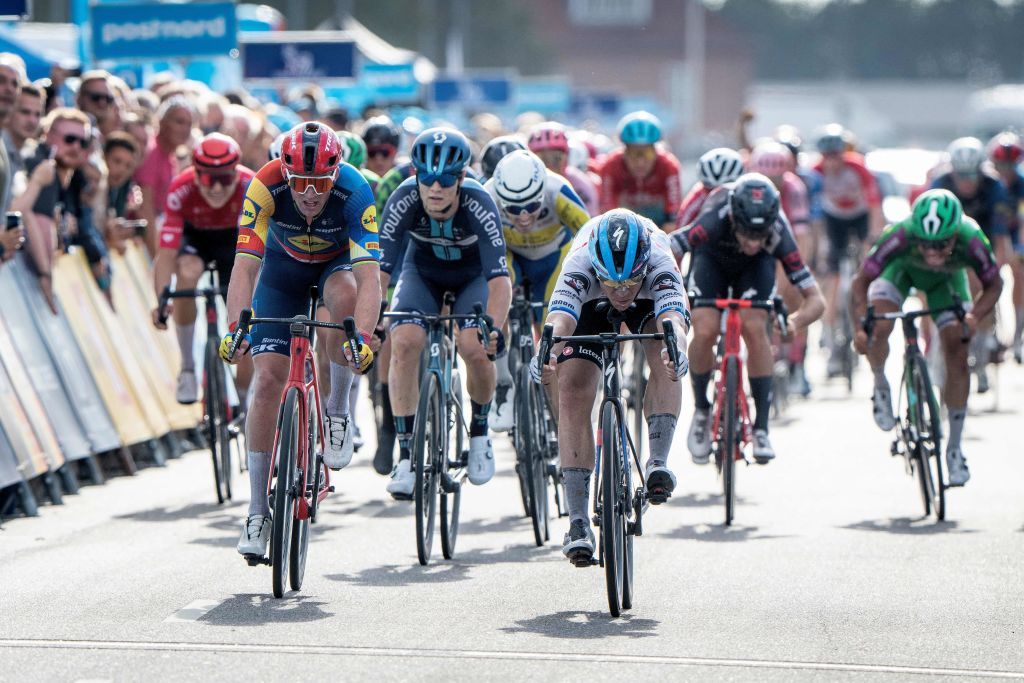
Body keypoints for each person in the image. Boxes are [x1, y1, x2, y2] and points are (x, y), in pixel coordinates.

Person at [223, 121, 381, 559]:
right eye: (301, 184)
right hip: (281, 273)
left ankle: (336, 413)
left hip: (333, 271)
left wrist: (363, 338)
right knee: (268, 381)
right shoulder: (264, 184)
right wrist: (235, 328)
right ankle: (257, 511)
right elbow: (245, 268)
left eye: (320, 184)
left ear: (336, 176)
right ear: (286, 175)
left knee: (345, 301)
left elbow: (370, 280)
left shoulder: (355, 190)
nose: (310, 194)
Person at [530, 209, 690, 563]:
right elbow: (559, 320)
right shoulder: (581, 262)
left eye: (629, 283)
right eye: (613, 283)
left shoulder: (660, 259)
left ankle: (657, 463)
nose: (621, 293)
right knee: (571, 390)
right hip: (588, 305)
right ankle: (577, 521)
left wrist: (676, 345)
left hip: (650, 305)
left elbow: (674, 319)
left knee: (665, 352)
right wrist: (547, 353)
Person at [378, 127, 511, 498]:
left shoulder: (479, 202)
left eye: (447, 179)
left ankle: (480, 433)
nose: (436, 189)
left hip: (473, 278)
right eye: (428, 179)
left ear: (462, 178)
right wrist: (372, 320)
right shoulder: (404, 199)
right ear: (415, 175)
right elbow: (380, 272)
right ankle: (405, 456)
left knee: (473, 345)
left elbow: (499, 279)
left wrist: (494, 329)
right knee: (403, 342)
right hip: (421, 273)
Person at [850, 189, 1003, 486]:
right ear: (914, 233)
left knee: (958, 352)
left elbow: (994, 284)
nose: (932, 253)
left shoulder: (971, 237)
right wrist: (860, 326)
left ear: (955, 233)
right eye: (925, 244)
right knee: (879, 328)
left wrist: (974, 317)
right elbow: (861, 281)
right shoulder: (900, 234)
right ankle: (880, 381)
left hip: (946, 283)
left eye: (941, 245)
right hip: (899, 273)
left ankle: (955, 448)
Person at [672, 173, 825, 463]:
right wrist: (674, 290)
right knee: (704, 329)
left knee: (755, 327)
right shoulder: (713, 220)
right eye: (746, 232)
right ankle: (703, 409)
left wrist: (794, 322)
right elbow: (668, 248)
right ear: (733, 217)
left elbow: (816, 299)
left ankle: (762, 427)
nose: (753, 241)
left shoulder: (779, 231)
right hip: (711, 260)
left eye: (761, 235)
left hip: (755, 269)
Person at [484, 149, 590, 431]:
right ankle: (504, 383)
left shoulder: (557, 189)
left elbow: (589, 235)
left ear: (542, 192)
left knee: (552, 343)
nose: (523, 217)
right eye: (513, 209)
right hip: (510, 257)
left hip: (554, 260)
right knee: (497, 298)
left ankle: (560, 428)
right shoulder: (488, 195)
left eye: (531, 207)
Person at [152, 133, 256, 405]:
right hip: (195, 240)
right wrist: (162, 299)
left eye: (224, 178)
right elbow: (165, 256)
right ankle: (187, 367)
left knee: (248, 313)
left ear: (236, 173)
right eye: (210, 179)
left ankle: (244, 395)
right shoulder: (180, 188)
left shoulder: (251, 186)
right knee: (186, 273)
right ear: (196, 175)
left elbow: (262, 254)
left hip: (235, 243)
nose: (217, 188)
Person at [930, 136, 1012, 392]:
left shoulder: (994, 187)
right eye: (961, 176)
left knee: (982, 285)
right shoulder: (939, 185)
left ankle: (984, 343)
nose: (966, 182)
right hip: (949, 242)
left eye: (972, 176)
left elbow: (999, 237)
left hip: (981, 238)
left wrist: (993, 272)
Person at [13, 107, 109, 309]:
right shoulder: (43, 166)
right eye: (69, 139)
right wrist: (47, 277)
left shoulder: (72, 176)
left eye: (82, 142)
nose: (75, 147)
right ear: (47, 135)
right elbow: (40, 223)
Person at [813, 124, 883, 376]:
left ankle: (864, 299)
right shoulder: (816, 172)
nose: (832, 162)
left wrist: (874, 239)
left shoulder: (859, 168)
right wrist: (818, 245)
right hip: (834, 220)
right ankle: (830, 338)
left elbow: (875, 206)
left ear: (844, 153)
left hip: (859, 216)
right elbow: (813, 216)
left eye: (836, 156)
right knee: (831, 277)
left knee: (867, 261)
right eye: (827, 156)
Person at [598, 111, 681, 232]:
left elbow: (673, 215)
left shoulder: (669, 166)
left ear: (656, 151)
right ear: (624, 151)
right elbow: (606, 211)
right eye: (633, 154)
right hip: (624, 220)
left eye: (647, 154)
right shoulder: (610, 166)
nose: (640, 162)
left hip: (659, 221)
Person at [135, 95, 196, 255]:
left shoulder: (171, 156)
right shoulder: (152, 153)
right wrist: (155, 256)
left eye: (189, 124)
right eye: (179, 122)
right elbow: (145, 208)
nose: (185, 129)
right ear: (162, 122)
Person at [987, 132, 1024, 361]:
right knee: (986, 276)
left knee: (1019, 274)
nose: (1006, 170)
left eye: (1010, 166)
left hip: (1013, 233)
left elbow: (1022, 222)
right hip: (989, 234)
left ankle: (1018, 336)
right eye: (1001, 165)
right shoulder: (988, 183)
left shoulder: (1022, 184)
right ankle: (988, 328)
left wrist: (1018, 252)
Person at [528, 123, 598, 215]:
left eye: (556, 158)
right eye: (542, 160)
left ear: (567, 156)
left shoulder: (580, 184)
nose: (549, 166)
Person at [676, 147, 745, 231]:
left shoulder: (747, 191)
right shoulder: (697, 196)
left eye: (726, 189)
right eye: (711, 189)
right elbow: (680, 229)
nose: (718, 195)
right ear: (703, 185)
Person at [5, 83, 45, 177]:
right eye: (25, 112)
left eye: (37, 114)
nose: (32, 121)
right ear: (9, 110)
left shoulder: (35, 154)